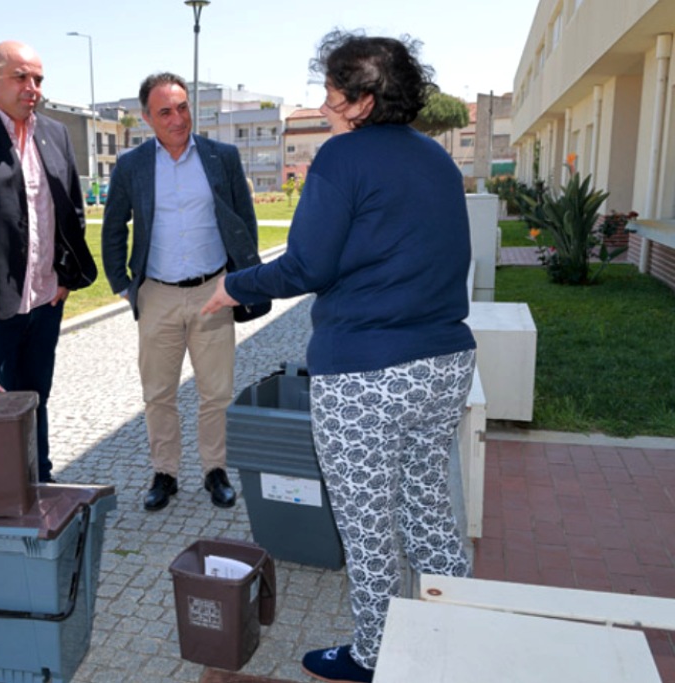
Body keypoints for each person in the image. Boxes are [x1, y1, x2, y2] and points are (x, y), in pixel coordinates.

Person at [202, 31, 476, 683]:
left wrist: (231, 287)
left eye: (331, 91)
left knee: (366, 520)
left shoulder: (341, 159)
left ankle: (374, 655)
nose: (323, 103)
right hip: (442, 362)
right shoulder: (437, 160)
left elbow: (307, 264)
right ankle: (459, 633)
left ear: (362, 100)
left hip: (365, 376)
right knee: (429, 503)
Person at [102, 72, 267, 512]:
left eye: (182, 107)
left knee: (216, 392)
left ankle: (215, 469)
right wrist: (122, 284)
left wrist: (240, 280)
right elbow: (113, 225)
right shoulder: (132, 166)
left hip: (214, 291)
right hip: (157, 294)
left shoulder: (221, 157)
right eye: (165, 112)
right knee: (159, 393)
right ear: (146, 118)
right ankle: (165, 473)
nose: (177, 119)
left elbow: (243, 223)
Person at [0, 40, 97, 483]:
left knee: (36, 396)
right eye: (21, 77)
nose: (31, 87)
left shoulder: (53, 133)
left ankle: (40, 479)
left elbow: (71, 208)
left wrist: (67, 278)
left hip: (45, 299)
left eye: (38, 79)